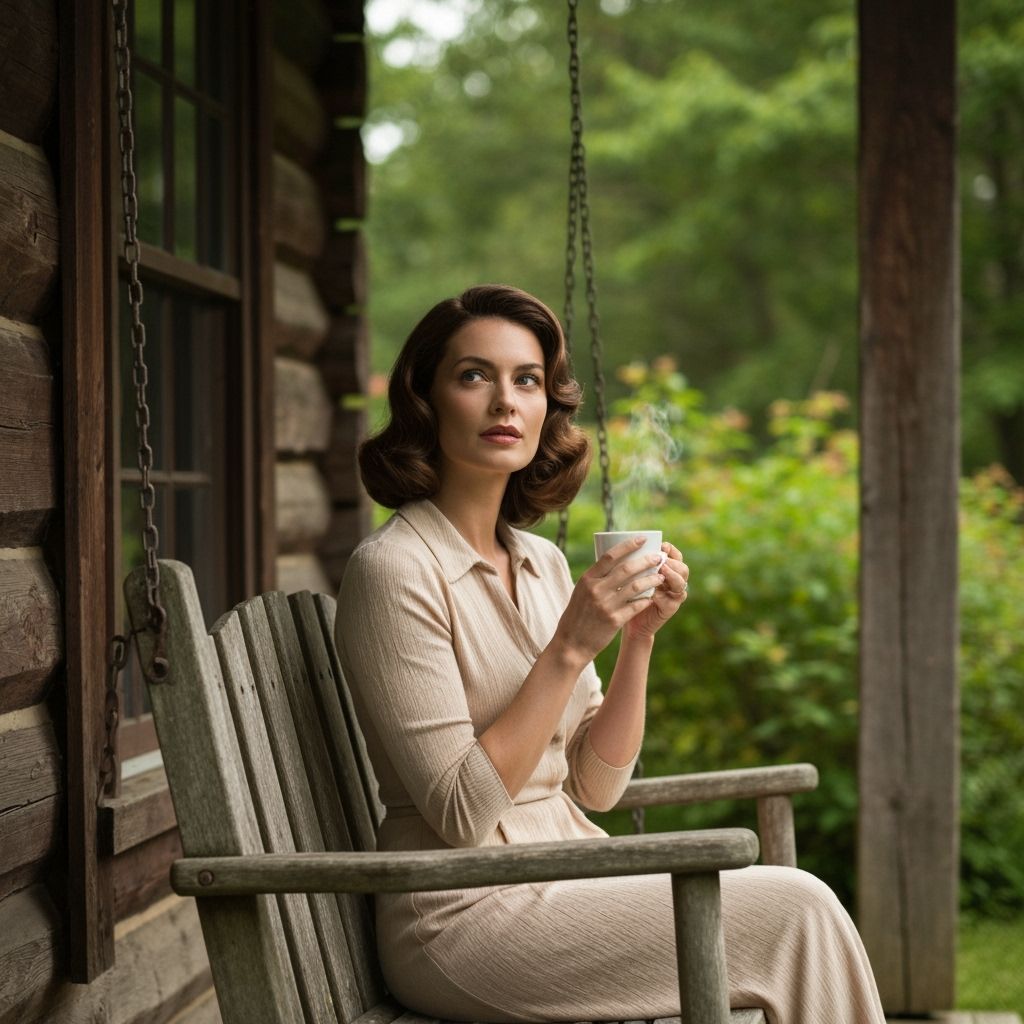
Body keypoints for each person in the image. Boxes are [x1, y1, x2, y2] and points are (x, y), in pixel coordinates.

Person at [334, 284, 885, 1024]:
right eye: (474, 376)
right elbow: (462, 813)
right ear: (427, 403)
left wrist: (638, 639)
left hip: (570, 872)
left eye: (526, 380)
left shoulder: (540, 563)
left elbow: (596, 786)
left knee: (795, 909)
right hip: (462, 914)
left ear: (546, 407)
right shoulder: (395, 570)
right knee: (796, 909)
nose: (506, 402)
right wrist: (568, 647)